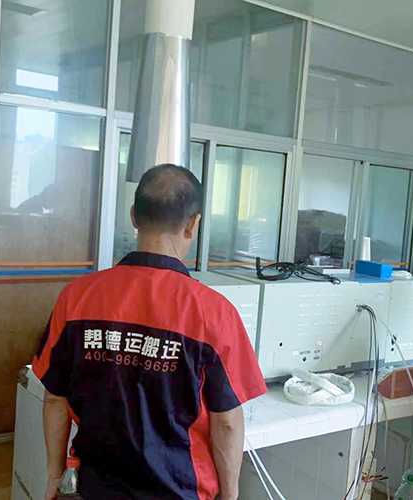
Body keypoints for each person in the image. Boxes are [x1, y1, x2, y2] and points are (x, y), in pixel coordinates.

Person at [34, 164, 267, 500]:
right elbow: (227, 422)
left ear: (133, 216)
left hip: (95, 487)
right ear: (193, 224)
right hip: (179, 490)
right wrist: (229, 495)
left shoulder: (77, 297)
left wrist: (55, 475)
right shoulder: (214, 313)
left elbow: (54, 398)